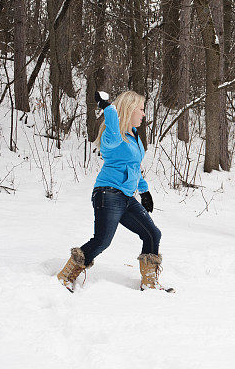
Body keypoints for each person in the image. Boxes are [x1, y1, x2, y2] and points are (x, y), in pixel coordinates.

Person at [56, 91, 171, 292]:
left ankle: (149, 283)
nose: (144, 114)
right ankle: (66, 276)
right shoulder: (114, 134)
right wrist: (108, 108)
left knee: (152, 234)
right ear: (129, 110)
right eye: (141, 110)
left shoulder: (134, 136)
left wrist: (144, 191)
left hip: (126, 196)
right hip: (108, 193)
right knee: (102, 240)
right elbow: (112, 138)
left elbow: (133, 166)